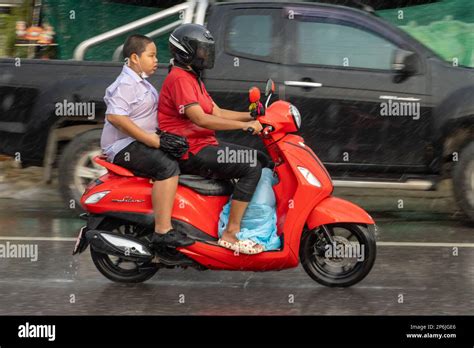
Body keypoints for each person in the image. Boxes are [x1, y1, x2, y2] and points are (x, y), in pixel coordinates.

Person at [158, 24, 269, 254]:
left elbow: (216, 113)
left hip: (203, 145)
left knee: (261, 158)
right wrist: (244, 126)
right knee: (250, 166)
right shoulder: (180, 78)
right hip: (190, 150)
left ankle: (233, 221)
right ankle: (230, 234)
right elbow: (201, 119)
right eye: (201, 50)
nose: (205, 55)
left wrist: (252, 116)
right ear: (186, 51)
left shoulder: (193, 78)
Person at [100, 34, 193, 248]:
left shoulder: (141, 83)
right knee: (167, 167)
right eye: (151, 56)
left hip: (135, 142)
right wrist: (152, 140)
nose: (156, 61)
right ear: (134, 57)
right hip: (122, 147)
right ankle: (162, 230)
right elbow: (115, 117)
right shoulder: (126, 83)